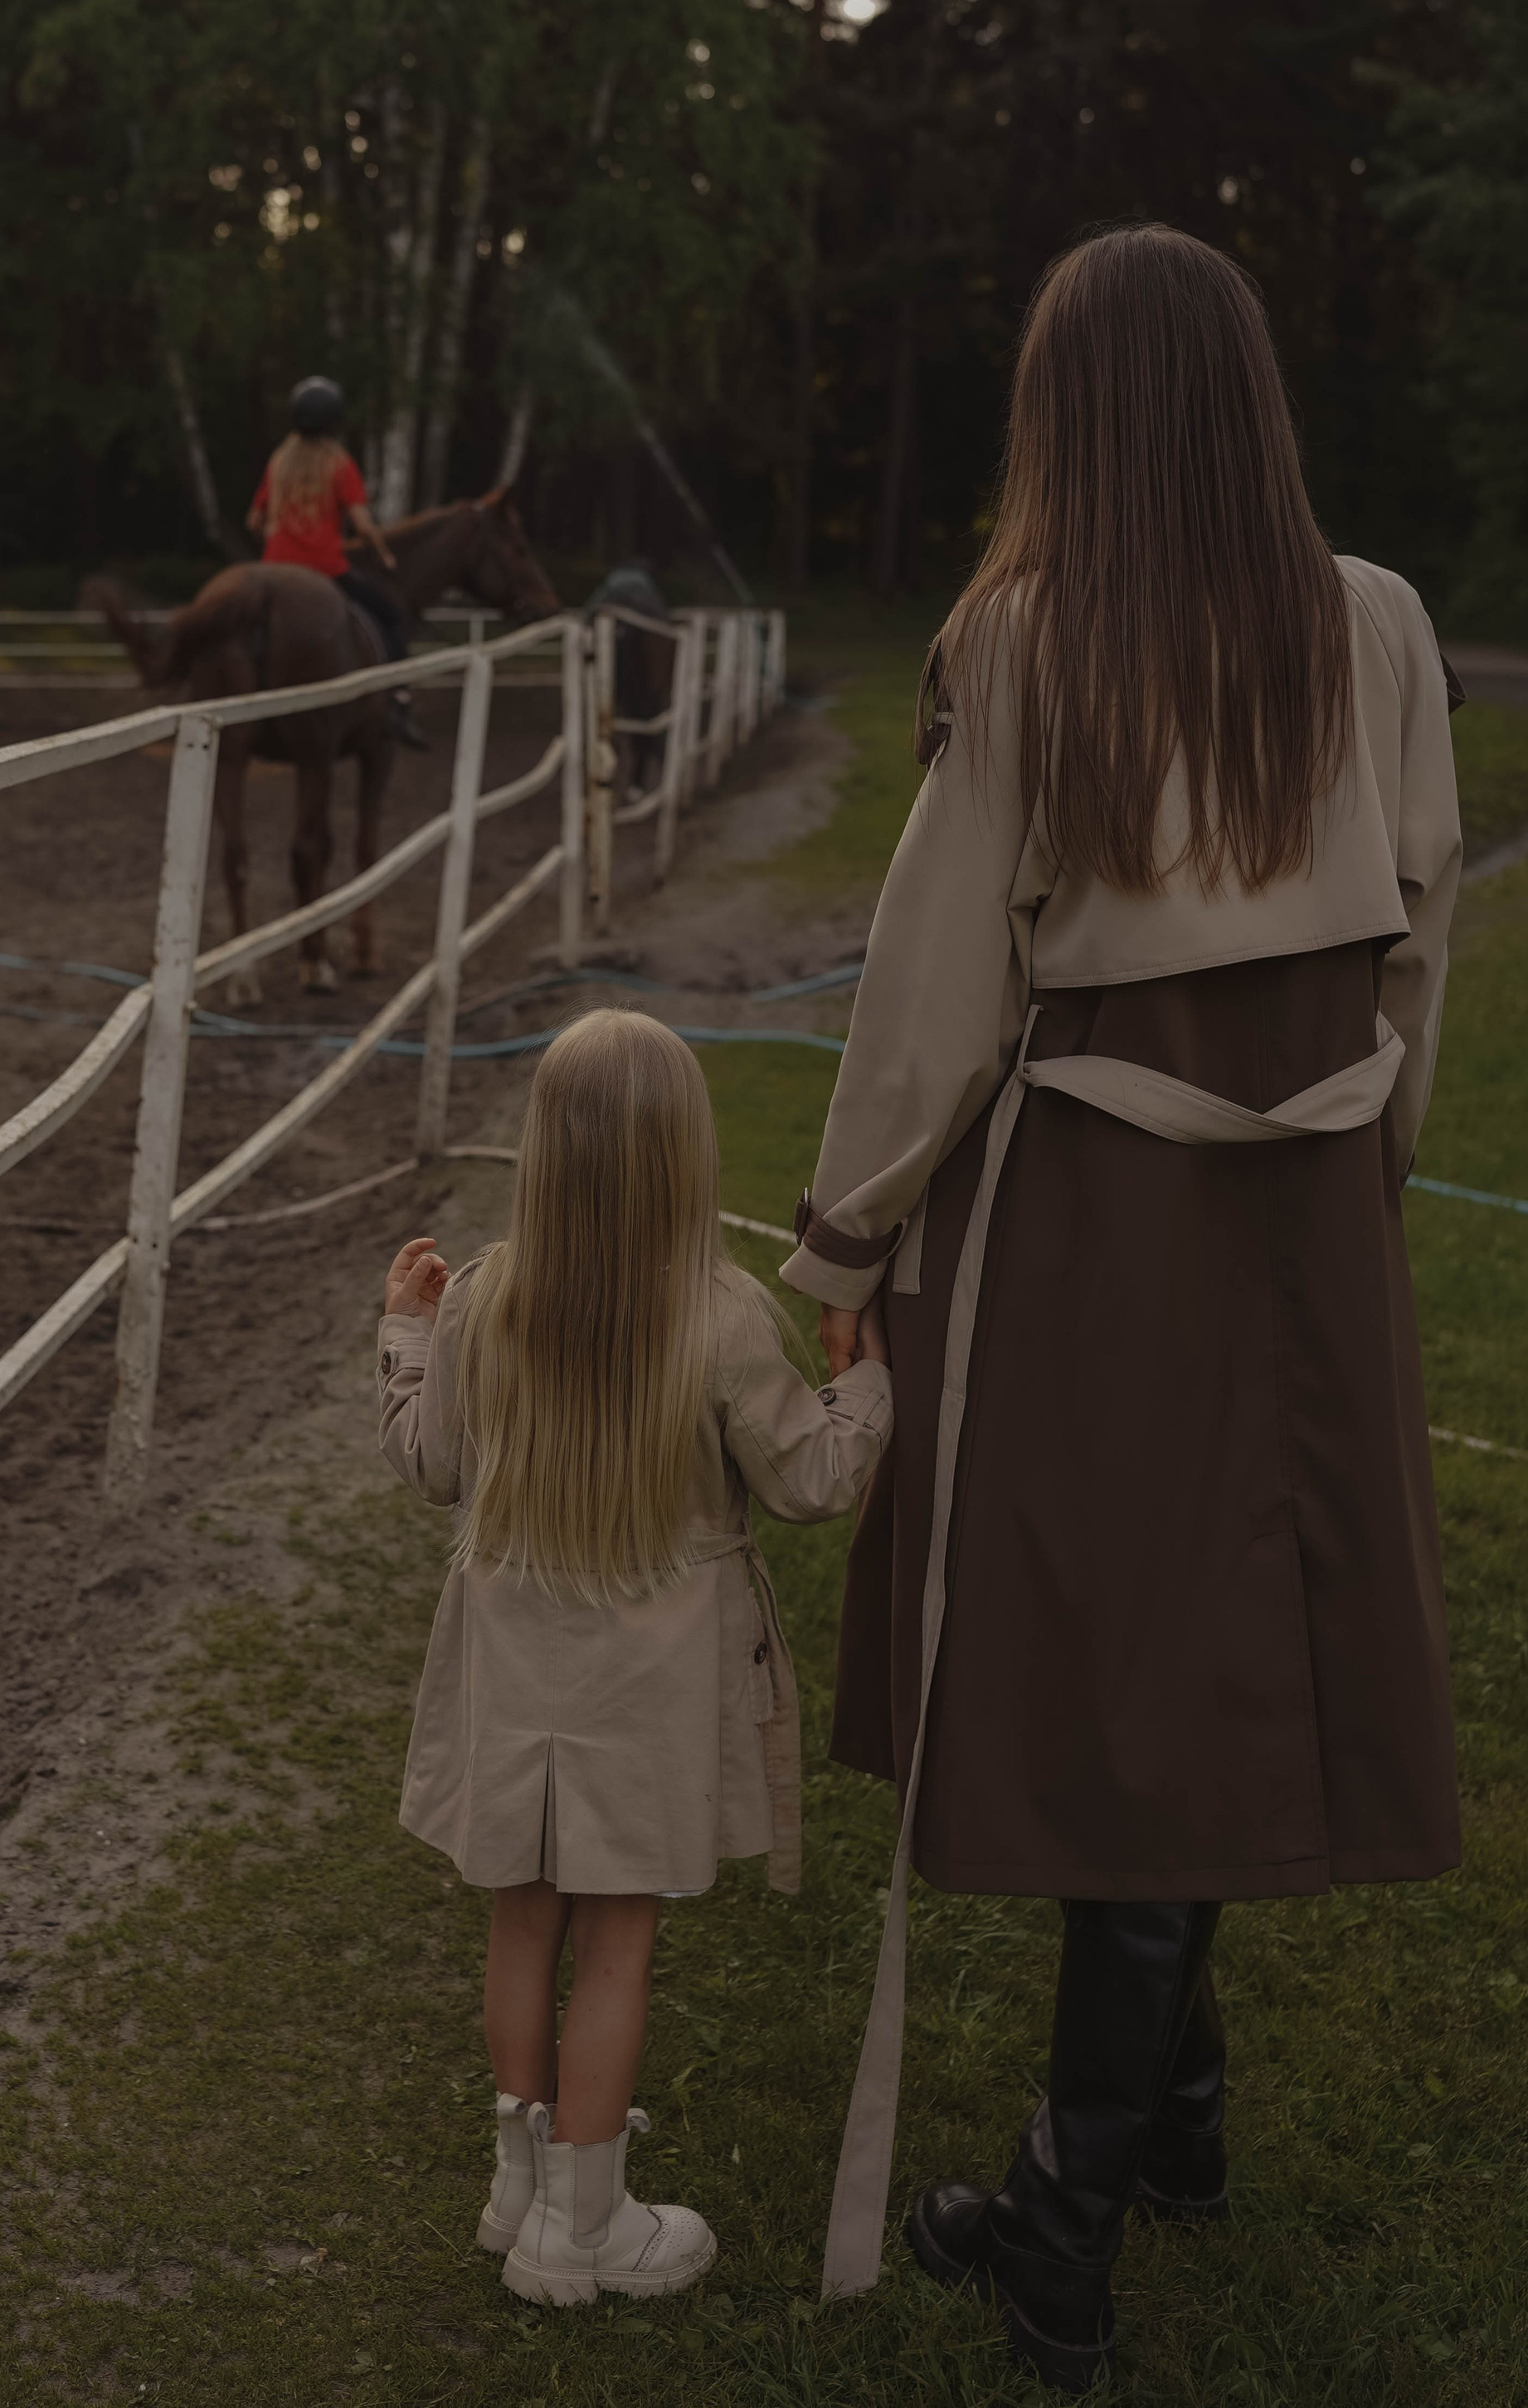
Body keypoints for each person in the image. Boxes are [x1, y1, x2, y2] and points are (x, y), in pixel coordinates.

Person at [784, 224, 1463, 2387]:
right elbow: (1419, 925)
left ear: (1071, 416)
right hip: (1309, 1206)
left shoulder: (1026, 640)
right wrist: (1360, 1152)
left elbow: (931, 995)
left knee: (1143, 1678)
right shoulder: (1376, 624)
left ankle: (1072, 2210)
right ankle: (1168, 2119)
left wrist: (844, 1244)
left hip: (1105, 1218)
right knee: (1211, 1648)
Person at [374, 1009, 893, 2307]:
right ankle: (582, 2225)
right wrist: (867, 1382)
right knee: (615, 1941)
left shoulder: (486, 1298)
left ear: (543, 1153)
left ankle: (520, 2183)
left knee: (520, 1915)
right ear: (684, 1157)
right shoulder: (722, 1317)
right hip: (647, 1692)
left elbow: (431, 1466)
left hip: (512, 1672)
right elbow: (815, 1482)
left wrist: (404, 1334)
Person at [246, 374, 428, 747]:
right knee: (389, 616)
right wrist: (384, 554)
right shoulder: (339, 465)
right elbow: (363, 525)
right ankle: (397, 702)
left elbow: (253, 521)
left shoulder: (279, 463)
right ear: (334, 422)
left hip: (273, 569)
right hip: (325, 570)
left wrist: (272, 543)